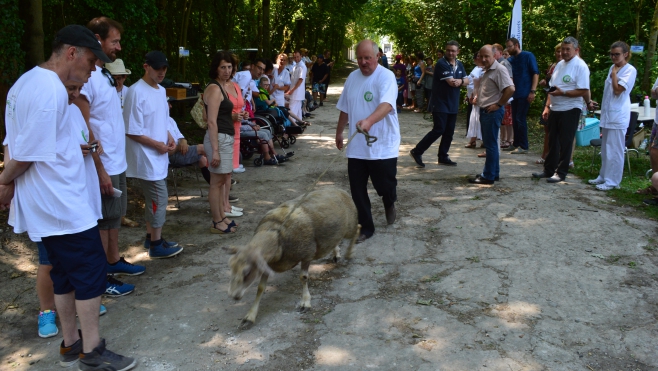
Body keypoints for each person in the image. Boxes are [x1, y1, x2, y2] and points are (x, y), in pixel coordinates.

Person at [1, 24, 135, 370]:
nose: (94, 69)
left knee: (61, 273)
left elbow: (23, 139)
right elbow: (28, 150)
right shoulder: (51, 90)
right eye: (92, 60)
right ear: (71, 52)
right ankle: (92, 351)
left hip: (48, 203)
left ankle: (70, 343)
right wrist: (4, 181)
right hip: (62, 203)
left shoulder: (25, 82)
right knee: (91, 272)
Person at [74, 17, 146, 297]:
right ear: (97, 39)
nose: (118, 46)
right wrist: (99, 167)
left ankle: (114, 260)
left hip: (117, 160)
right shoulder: (88, 77)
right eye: (114, 41)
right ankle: (102, 274)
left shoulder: (104, 74)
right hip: (101, 164)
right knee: (103, 220)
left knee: (114, 216)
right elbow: (84, 123)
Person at [335, 39, 400, 244]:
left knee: (385, 185)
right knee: (357, 188)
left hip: (383, 145)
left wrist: (370, 121)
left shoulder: (386, 76)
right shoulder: (352, 78)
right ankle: (365, 227)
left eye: (368, 58)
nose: (363, 62)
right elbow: (345, 107)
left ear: (377, 57)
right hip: (357, 146)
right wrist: (339, 132)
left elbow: (387, 105)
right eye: (360, 58)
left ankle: (389, 202)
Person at [123, 51, 184, 258]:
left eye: (164, 68)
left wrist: (168, 136)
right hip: (146, 157)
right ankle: (156, 245)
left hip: (159, 154)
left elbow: (161, 119)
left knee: (154, 199)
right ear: (146, 66)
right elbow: (131, 130)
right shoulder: (135, 92)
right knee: (160, 198)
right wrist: (156, 145)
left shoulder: (161, 90)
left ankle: (152, 238)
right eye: (158, 68)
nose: (162, 72)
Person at [533, 37, 591, 183]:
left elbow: (583, 90)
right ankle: (548, 170)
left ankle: (561, 172)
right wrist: (548, 104)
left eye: (568, 49)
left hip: (571, 108)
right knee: (553, 140)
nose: (564, 52)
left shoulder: (580, 66)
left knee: (565, 141)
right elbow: (553, 87)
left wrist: (563, 93)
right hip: (555, 107)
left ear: (576, 50)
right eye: (563, 49)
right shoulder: (560, 65)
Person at [410, 40, 469, 167]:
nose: (450, 53)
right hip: (440, 102)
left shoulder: (459, 64)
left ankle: (443, 156)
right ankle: (417, 151)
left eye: (453, 51)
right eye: (448, 50)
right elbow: (451, 82)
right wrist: (461, 81)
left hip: (453, 103)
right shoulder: (442, 63)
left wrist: (461, 81)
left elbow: (468, 80)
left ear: (458, 52)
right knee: (439, 129)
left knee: (449, 132)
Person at [589, 42, 636, 190]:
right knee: (606, 147)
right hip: (608, 113)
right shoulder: (612, 67)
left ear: (625, 54)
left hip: (618, 115)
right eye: (612, 54)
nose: (613, 57)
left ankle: (612, 181)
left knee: (615, 149)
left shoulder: (629, 70)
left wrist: (614, 75)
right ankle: (603, 176)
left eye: (617, 54)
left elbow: (617, 91)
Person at [204, 51, 242, 234]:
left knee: (221, 181)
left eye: (229, 67)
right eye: (223, 67)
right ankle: (217, 221)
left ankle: (222, 216)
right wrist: (216, 150)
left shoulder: (221, 87)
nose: (227, 70)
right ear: (216, 68)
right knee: (216, 182)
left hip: (225, 137)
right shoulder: (213, 88)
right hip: (218, 139)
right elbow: (210, 121)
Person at [468, 45, 515, 184]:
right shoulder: (487, 70)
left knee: (491, 145)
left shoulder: (499, 69)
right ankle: (493, 173)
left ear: (494, 55)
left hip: (492, 111)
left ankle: (488, 176)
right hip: (486, 110)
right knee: (491, 143)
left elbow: (511, 89)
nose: (483, 59)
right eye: (481, 56)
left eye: (486, 56)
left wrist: (499, 104)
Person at [104, 58, 140, 228]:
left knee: (123, 182)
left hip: (126, 142)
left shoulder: (129, 92)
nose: (118, 81)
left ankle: (122, 216)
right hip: (109, 146)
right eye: (115, 77)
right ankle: (111, 219)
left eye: (122, 77)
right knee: (113, 183)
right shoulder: (104, 92)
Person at [505, 37, 539, 154]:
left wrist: (532, 91)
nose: (508, 49)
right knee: (515, 119)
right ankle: (516, 143)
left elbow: (535, 73)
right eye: (507, 47)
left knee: (520, 119)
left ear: (516, 45)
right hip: (514, 94)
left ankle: (523, 146)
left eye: (509, 46)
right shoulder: (511, 60)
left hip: (525, 92)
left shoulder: (528, 56)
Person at [536, 44, 563, 163]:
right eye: (558, 51)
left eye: (562, 51)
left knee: (560, 131)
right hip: (549, 98)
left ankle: (560, 158)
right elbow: (549, 82)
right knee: (547, 129)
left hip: (561, 101)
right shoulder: (553, 66)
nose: (560, 54)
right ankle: (545, 155)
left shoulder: (569, 66)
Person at [286, 50, 307, 125]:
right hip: (295, 93)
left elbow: (300, 80)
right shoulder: (295, 65)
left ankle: (292, 126)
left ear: (301, 56)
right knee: (298, 111)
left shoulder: (302, 66)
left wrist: (292, 90)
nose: (296, 58)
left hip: (296, 92)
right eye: (295, 57)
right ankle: (299, 126)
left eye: (297, 57)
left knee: (291, 110)